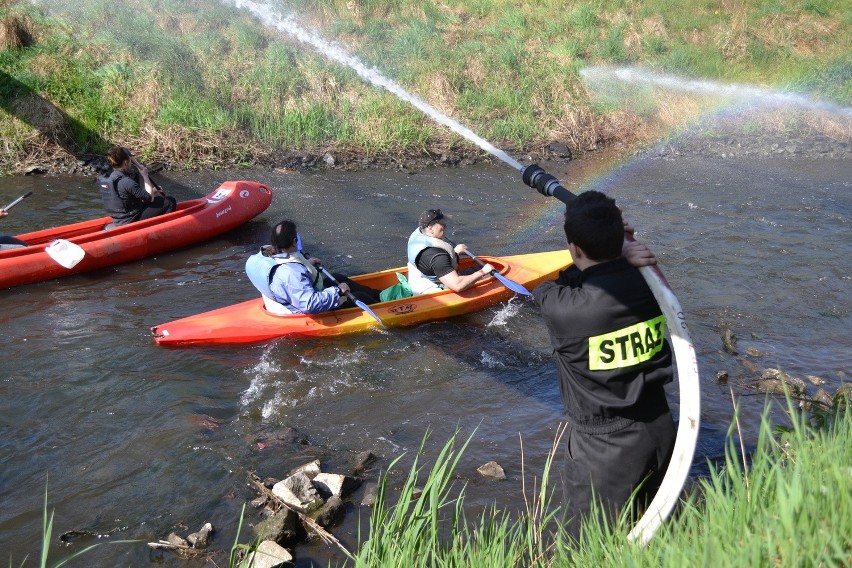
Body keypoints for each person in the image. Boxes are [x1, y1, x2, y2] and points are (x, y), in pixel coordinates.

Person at [532, 190, 675, 538]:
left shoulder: (563, 307)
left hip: (604, 447)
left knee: (587, 543)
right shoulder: (651, 282)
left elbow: (545, 287)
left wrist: (611, 254)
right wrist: (621, 255)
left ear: (574, 248)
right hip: (661, 427)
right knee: (659, 529)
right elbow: (601, 270)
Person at [245, 219, 381, 315]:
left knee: (338, 277)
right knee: (360, 296)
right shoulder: (291, 274)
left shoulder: (267, 254)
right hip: (299, 309)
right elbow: (309, 304)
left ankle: (380, 296)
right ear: (293, 242)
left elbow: (286, 272)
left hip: (286, 298)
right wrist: (337, 292)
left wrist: (307, 264)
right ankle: (384, 307)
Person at [406, 208, 494, 295]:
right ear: (430, 228)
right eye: (442, 224)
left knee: (476, 268)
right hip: (436, 288)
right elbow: (458, 285)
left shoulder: (419, 233)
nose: (445, 227)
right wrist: (483, 271)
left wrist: (455, 252)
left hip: (422, 276)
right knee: (488, 273)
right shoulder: (437, 256)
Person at [97, 146, 176, 227]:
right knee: (169, 201)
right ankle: (163, 229)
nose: (131, 163)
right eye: (130, 161)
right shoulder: (126, 182)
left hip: (118, 219)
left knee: (158, 199)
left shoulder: (109, 179)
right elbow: (150, 198)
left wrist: (154, 190)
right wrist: (145, 176)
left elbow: (129, 198)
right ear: (125, 163)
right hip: (131, 220)